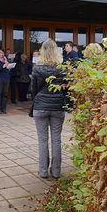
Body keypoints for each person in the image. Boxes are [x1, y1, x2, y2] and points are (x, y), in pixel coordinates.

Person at [31, 39, 66, 179]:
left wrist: (38, 99)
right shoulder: (62, 68)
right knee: (56, 140)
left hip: (40, 106)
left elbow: (33, 89)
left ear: (42, 51)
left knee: (42, 140)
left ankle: (43, 171)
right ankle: (56, 172)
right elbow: (66, 89)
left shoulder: (38, 68)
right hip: (57, 106)